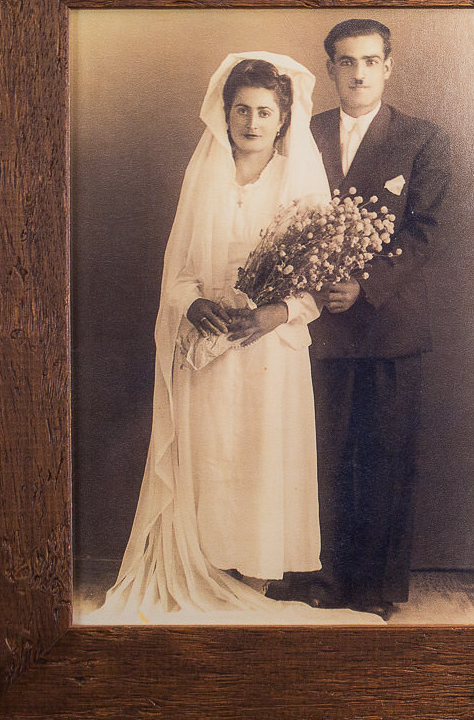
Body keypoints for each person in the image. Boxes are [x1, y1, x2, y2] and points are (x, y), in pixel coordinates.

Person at [87, 53, 334, 623]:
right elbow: (179, 274)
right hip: (207, 346)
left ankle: (258, 581)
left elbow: (320, 283)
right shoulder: (206, 175)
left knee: (263, 457)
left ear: (283, 117)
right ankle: (207, 570)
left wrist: (276, 313)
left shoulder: (300, 181)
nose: (252, 122)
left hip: (269, 350)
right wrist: (194, 304)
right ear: (224, 115)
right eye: (241, 110)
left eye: (264, 112)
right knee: (214, 457)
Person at [269, 19, 451, 620]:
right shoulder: (304, 133)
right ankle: (318, 576)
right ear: (329, 70)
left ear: (388, 66)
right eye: (346, 62)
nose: (358, 74)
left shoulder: (423, 139)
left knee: (383, 456)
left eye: (370, 61)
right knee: (316, 452)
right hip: (315, 326)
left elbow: (425, 231)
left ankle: (374, 587)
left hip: (388, 328)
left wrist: (365, 284)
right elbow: (283, 218)